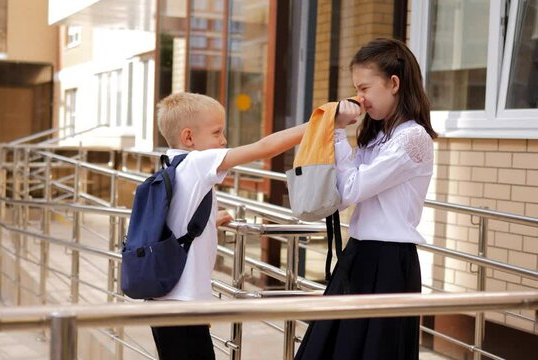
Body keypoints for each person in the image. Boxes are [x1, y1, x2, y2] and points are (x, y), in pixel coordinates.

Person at [295, 38, 438, 360]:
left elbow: (351, 189)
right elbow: (341, 196)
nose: (359, 98)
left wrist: (336, 133)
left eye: (365, 87)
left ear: (394, 83)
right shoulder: (378, 137)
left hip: (389, 261)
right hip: (360, 252)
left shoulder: (412, 138)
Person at [151, 92, 307, 360]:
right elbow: (264, 147)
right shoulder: (197, 163)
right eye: (216, 132)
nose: (223, 140)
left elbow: (176, 222)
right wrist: (321, 121)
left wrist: (211, 222)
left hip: (167, 300)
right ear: (188, 138)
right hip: (182, 306)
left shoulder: (171, 164)